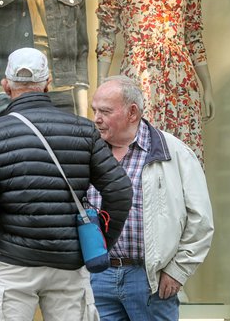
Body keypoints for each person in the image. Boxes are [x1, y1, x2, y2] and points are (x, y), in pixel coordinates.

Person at [0, 48, 133, 321]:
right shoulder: (84, 130)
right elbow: (121, 190)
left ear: (6, 84)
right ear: (48, 82)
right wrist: (98, 239)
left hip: (11, 260)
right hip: (68, 264)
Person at [96, 0, 214, 164]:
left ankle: (182, 205)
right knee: (138, 148)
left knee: (183, 152)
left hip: (181, 78)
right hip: (139, 75)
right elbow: (106, 33)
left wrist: (207, 87)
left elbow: (194, 35)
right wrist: (101, 81)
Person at [88, 75, 214, 321]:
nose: (97, 119)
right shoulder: (88, 151)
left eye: (105, 111)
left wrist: (178, 271)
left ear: (132, 113)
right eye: (94, 110)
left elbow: (201, 219)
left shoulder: (173, 151)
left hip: (150, 279)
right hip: (99, 276)